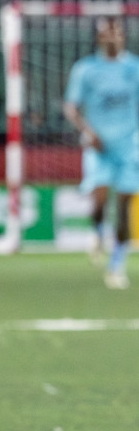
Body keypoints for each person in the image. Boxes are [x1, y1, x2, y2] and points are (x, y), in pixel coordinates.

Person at [63, 17, 139, 290]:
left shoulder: (135, 67)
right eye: (107, 33)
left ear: (123, 36)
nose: (112, 37)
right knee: (99, 200)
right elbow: (71, 107)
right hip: (98, 146)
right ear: (99, 37)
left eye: (116, 32)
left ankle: (116, 266)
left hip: (129, 147)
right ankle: (97, 231)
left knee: (125, 208)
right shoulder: (86, 69)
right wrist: (88, 132)